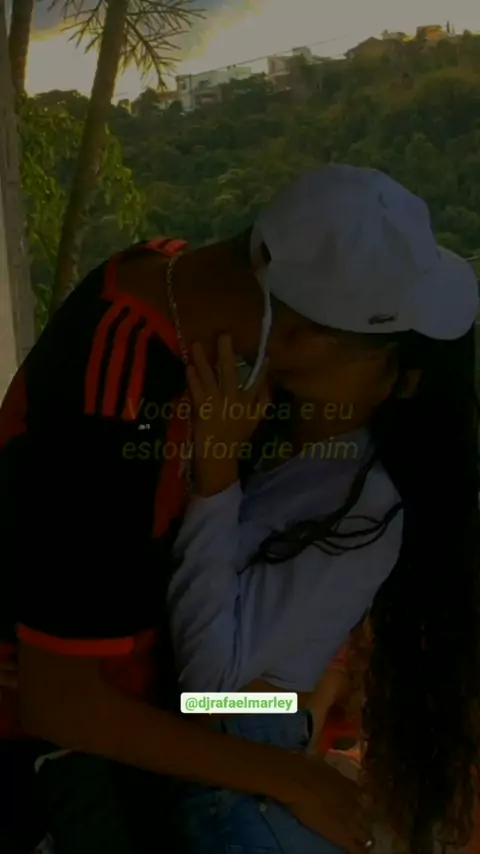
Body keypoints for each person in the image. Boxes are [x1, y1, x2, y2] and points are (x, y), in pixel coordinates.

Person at [0, 164, 478, 854]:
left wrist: (297, 709)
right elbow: (66, 703)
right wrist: (288, 768)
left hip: (194, 729)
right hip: (92, 759)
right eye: (391, 349)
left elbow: (216, 677)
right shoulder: (117, 410)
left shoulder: (183, 290)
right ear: (302, 335)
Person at [163, 166, 480, 854]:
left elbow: (210, 689)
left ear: (400, 379)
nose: (289, 338)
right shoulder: (279, 445)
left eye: (327, 333)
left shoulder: (365, 505)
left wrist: (215, 480)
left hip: (240, 771)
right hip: (240, 755)